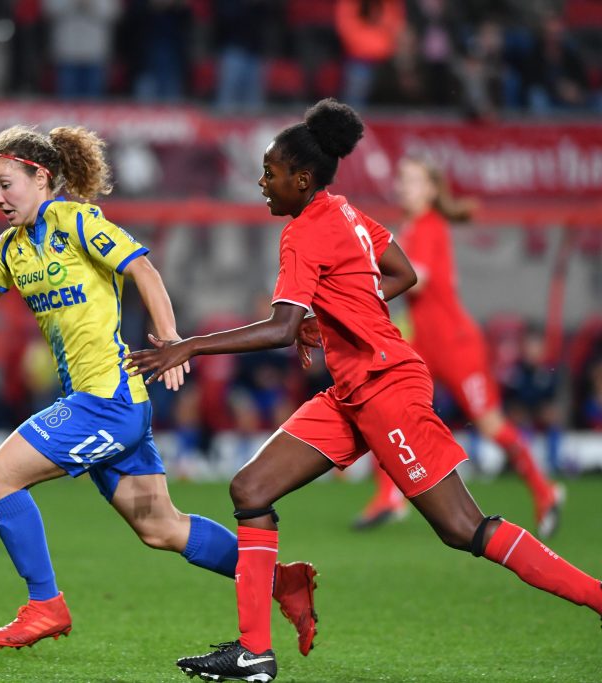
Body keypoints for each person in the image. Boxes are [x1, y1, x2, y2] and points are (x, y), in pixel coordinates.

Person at [126, 99, 602, 682]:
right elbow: (402, 274)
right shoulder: (346, 212)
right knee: (250, 488)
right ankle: (254, 651)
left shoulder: (303, 233)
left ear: (303, 180)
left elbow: (280, 327)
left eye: (271, 173)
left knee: (463, 529)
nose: (262, 182)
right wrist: (331, 322)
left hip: (386, 390)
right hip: (352, 391)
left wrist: (190, 346)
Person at [0, 125, 319, 652]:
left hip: (108, 401)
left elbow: (143, 269)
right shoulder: (10, 248)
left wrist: (170, 340)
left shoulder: (75, 221)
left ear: (40, 176)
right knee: (161, 528)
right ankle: (282, 581)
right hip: (101, 403)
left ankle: (45, 604)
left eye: (6, 184)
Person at [353, 156, 563, 536]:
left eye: (412, 181)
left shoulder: (429, 228)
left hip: (457, 347)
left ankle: (545, 490)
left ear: (432, 191)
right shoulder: (414, 228)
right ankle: (389, 498)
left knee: (490, 426)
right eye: (401, 180)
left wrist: (361, 275)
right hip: (425, 346)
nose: (403, 187)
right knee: (388, 409)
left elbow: (417, 279)